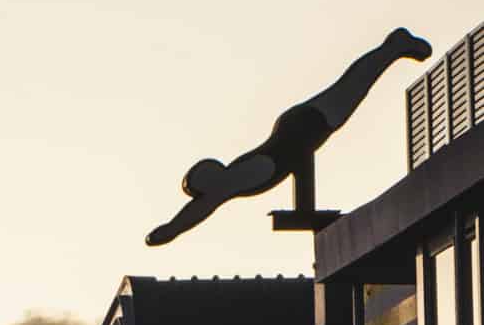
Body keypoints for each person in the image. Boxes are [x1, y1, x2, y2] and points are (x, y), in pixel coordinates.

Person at [145, 27, 432, 246]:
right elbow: (196, 210)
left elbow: (298, 158)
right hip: (298, 127)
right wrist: (170, 229)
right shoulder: (228, 183)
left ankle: (392, 48)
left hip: (303, 127)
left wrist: (171, 230)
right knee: (349, 87)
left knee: (350, 88)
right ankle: (391, 49)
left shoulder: (233, 179)